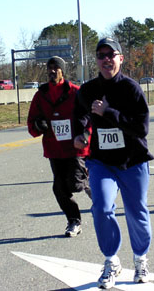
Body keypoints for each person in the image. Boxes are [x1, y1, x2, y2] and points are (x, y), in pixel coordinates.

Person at [73, 38, 154, 289]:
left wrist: (109, 113)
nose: (106, 59)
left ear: (120, 58)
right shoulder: (88, 90)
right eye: (101, 55)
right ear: (96, 60)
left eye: (111, 54)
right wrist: (82, 132)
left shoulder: (131, 89)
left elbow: (142, 128)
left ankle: (140, 258)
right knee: (102, 208)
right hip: (102, 162)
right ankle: (111, 261)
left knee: (136, 210)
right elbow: (80, 114)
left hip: (133, 161)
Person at [27, 56, 91, 237]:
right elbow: (31, 122)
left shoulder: (75, 92)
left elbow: (89, 118)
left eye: (56, 68)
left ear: (63, 71)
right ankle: (74, 221)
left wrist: (85, 135)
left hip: (75, 148)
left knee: (75, 185)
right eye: (50, 68)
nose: (52, 71)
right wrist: (38, 126)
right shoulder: (41, 95)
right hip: (54, 149)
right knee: (59, 189)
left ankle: (90, 185)